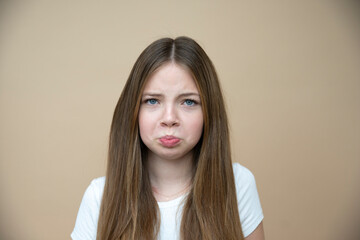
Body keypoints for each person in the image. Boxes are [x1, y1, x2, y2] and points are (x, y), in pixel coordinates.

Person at [71, 36, 264, 240]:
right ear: (133, 110)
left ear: (209, 111)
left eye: (188, 102)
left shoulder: (238, 184)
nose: (170, 119)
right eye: (152, 100)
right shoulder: (99, 197)